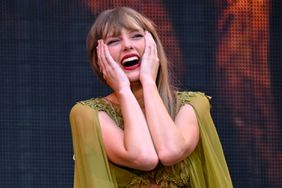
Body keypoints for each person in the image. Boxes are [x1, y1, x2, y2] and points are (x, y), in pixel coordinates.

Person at [69, 6, 233, 188]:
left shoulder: (192, 105)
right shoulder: (88, 115)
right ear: (99, 58)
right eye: (114, 41)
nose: (127, 45)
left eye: (136, 36)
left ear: (153, 46)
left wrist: (148, 81)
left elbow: (170, 151)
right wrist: (123, 90)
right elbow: (143, 156)